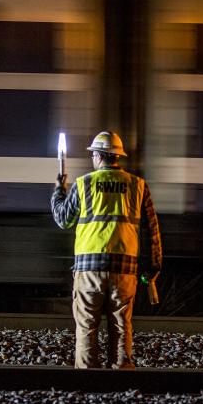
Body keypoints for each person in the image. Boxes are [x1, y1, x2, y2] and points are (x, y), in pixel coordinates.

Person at [51, 131, 162, 369]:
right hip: (124, 270)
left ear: (97, 157)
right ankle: (122, 386)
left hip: (88, 271)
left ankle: (88, 385)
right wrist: (153, 268)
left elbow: (63, 219)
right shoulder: (138, 185)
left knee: (86, 327)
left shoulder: (84, 184)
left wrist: (59, 189)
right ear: (117, 157)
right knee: (121, 327)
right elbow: (152, 230)